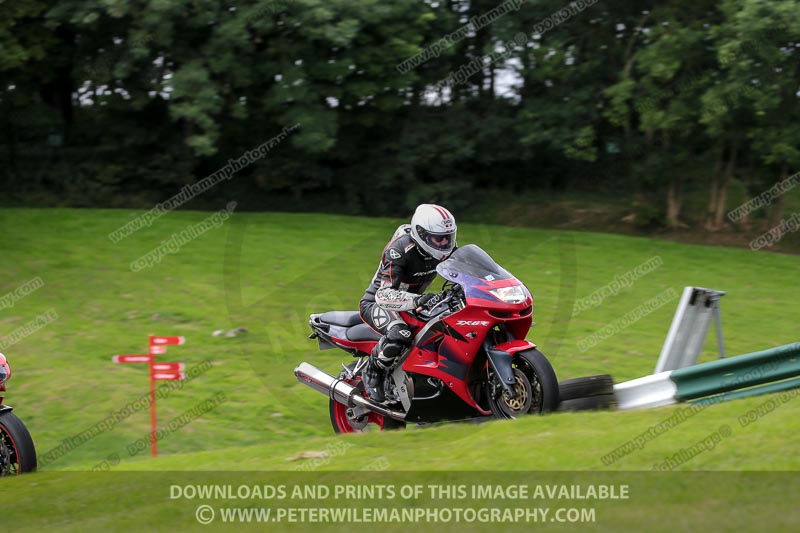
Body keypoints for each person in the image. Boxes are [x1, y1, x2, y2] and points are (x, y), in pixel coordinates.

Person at [359, 204, 457, 402]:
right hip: (379, 303)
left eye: (448, 236)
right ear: (421, 234)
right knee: (400, 335)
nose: (444, 242)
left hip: (413, 303)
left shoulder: (448, 249)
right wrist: (419, 299)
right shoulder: (399, 250)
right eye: (439, 238)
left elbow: (467, 272)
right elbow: (384, 295)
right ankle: (372, 371)